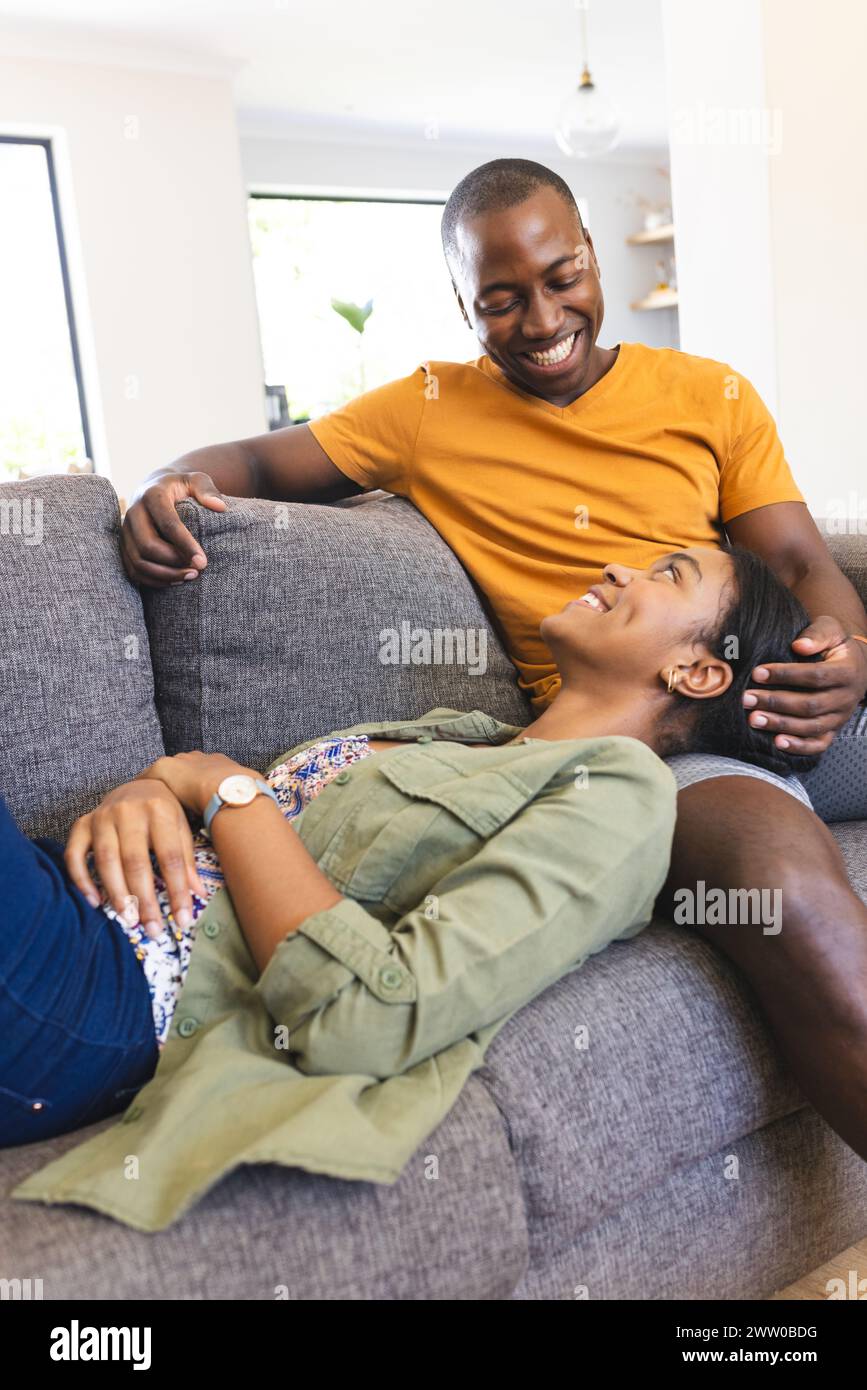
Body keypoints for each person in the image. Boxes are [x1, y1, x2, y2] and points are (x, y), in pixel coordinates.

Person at [118, 157, 867, 1166]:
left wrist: (846, 654)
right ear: (464, 308)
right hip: (663, 736)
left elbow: (793, 559)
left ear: (592, 255)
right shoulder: (427, 408)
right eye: (501, 301)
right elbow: (253, 464)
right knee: (786, 897)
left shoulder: (706, 392)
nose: (544, 318)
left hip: (781, 683)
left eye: (562, 278)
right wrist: (169, 483)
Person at [8, 545, 827, 1231]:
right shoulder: (451, 735)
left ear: (696, 670)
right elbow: (213, 803)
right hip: (61, 884)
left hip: (99, 982)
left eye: (668, 575)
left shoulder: (617, 799)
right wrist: (150, 786)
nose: (618, 569)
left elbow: (370, 1020)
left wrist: (227, 791)